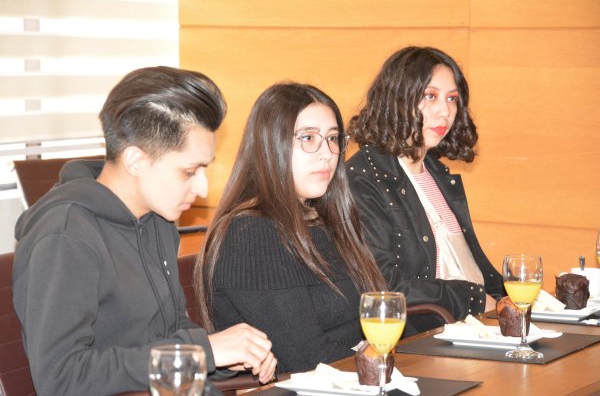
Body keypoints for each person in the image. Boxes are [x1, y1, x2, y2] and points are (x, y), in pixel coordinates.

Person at [12, 66, 276, 396]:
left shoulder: (156, 220)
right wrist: (203, 352)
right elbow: (61, 378)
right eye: (189, 171)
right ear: (136, 161)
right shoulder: (65, 235)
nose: (203, 188)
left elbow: (167, 332)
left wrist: (225, 356)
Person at [196, 82, 388, 373]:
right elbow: (308, 359)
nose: (327, 153)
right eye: (308, 138)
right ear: (270, 145)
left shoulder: (324, 218)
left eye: (333, 138)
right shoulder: (251, 234)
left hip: (360, 376)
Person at [346, 46, 504, 336]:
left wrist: (509, 300)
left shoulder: (437, 173)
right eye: (430, 96)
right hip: (428, 335)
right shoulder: (363, 178)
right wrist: (473, 299)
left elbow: (471, 266)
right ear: (396, 98)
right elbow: (385, 285)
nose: (445, 111)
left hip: (479, 326)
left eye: (452, 99)